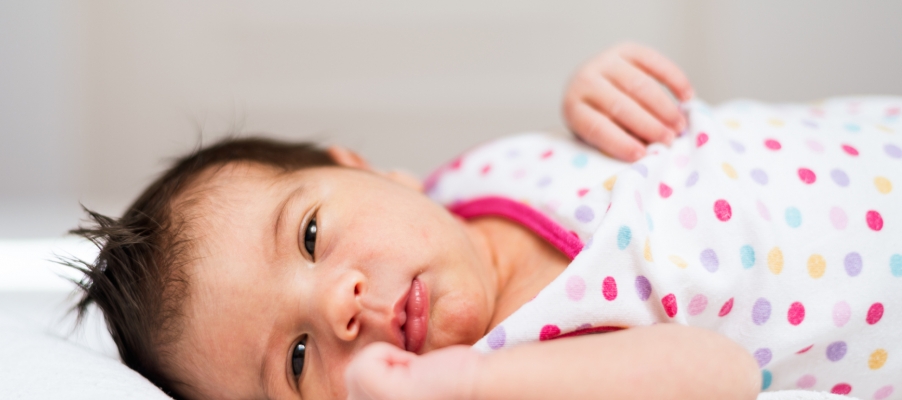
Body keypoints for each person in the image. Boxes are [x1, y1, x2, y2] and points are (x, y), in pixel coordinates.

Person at [68, 43, 901, 399]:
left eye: (312, 236)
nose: (338, 307)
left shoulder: (468, 181)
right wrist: (462, 385)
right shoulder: (505, 378)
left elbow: (618, 144)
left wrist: (597, 88)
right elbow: (715, 373)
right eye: (293, 361)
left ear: (360, 167)